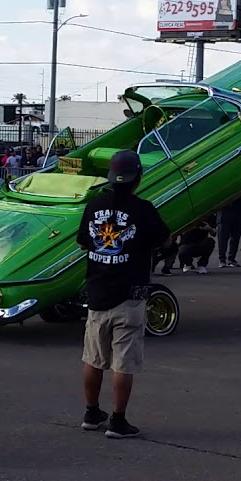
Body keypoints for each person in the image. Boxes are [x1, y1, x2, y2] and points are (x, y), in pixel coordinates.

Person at [76, 150, 170, 439]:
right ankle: (118, 420)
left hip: (97, 292)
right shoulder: (143, 209)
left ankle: (92, 412)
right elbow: (164, 240)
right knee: (123, 361)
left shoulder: (95, 204)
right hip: (129, 295)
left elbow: (83, 243)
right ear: (137, 177)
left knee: (93, 358)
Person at [216, 195, 241, 268]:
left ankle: (231, 258)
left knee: (235, 237)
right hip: (224, 210)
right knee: (222, 238)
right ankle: (222, 259)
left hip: (238, 210)